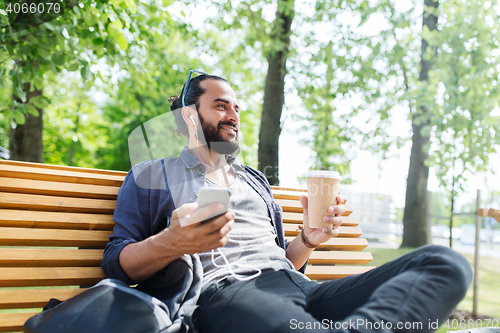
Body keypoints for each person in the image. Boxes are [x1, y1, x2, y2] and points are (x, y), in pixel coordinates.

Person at [102, 71, 473, 333]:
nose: (233, 116)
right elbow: (117, 264)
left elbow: (279, 258)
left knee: (444, 264)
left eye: (237, 109)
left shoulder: (254, 179)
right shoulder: (152, 175)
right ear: (189, 115)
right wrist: (170, 243)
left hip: (297, 288)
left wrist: (308, 239)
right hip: (224, 293)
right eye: (220, 106)